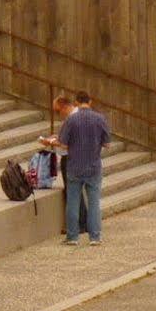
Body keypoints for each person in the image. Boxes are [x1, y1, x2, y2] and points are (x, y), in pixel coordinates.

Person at [58, 91, 111, 245]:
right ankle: (95, 236)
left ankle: (72, 236)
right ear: (90, 101)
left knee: (73, 202)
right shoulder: (100, 119)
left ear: (76, 102)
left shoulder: (71, 120)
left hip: (74, 166)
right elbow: (107, 144)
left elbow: (63, 144)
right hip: (94, 166)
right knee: (94, 202)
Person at [32, 95, 71, 190]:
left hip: (70, 158)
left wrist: (51, 142)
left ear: (64, 106)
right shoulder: (72, 118)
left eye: (58, 111)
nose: (58, 114)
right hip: (71, 157)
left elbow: (67, 144)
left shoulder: (72, 119)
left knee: (71, 191)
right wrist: (56, 137)